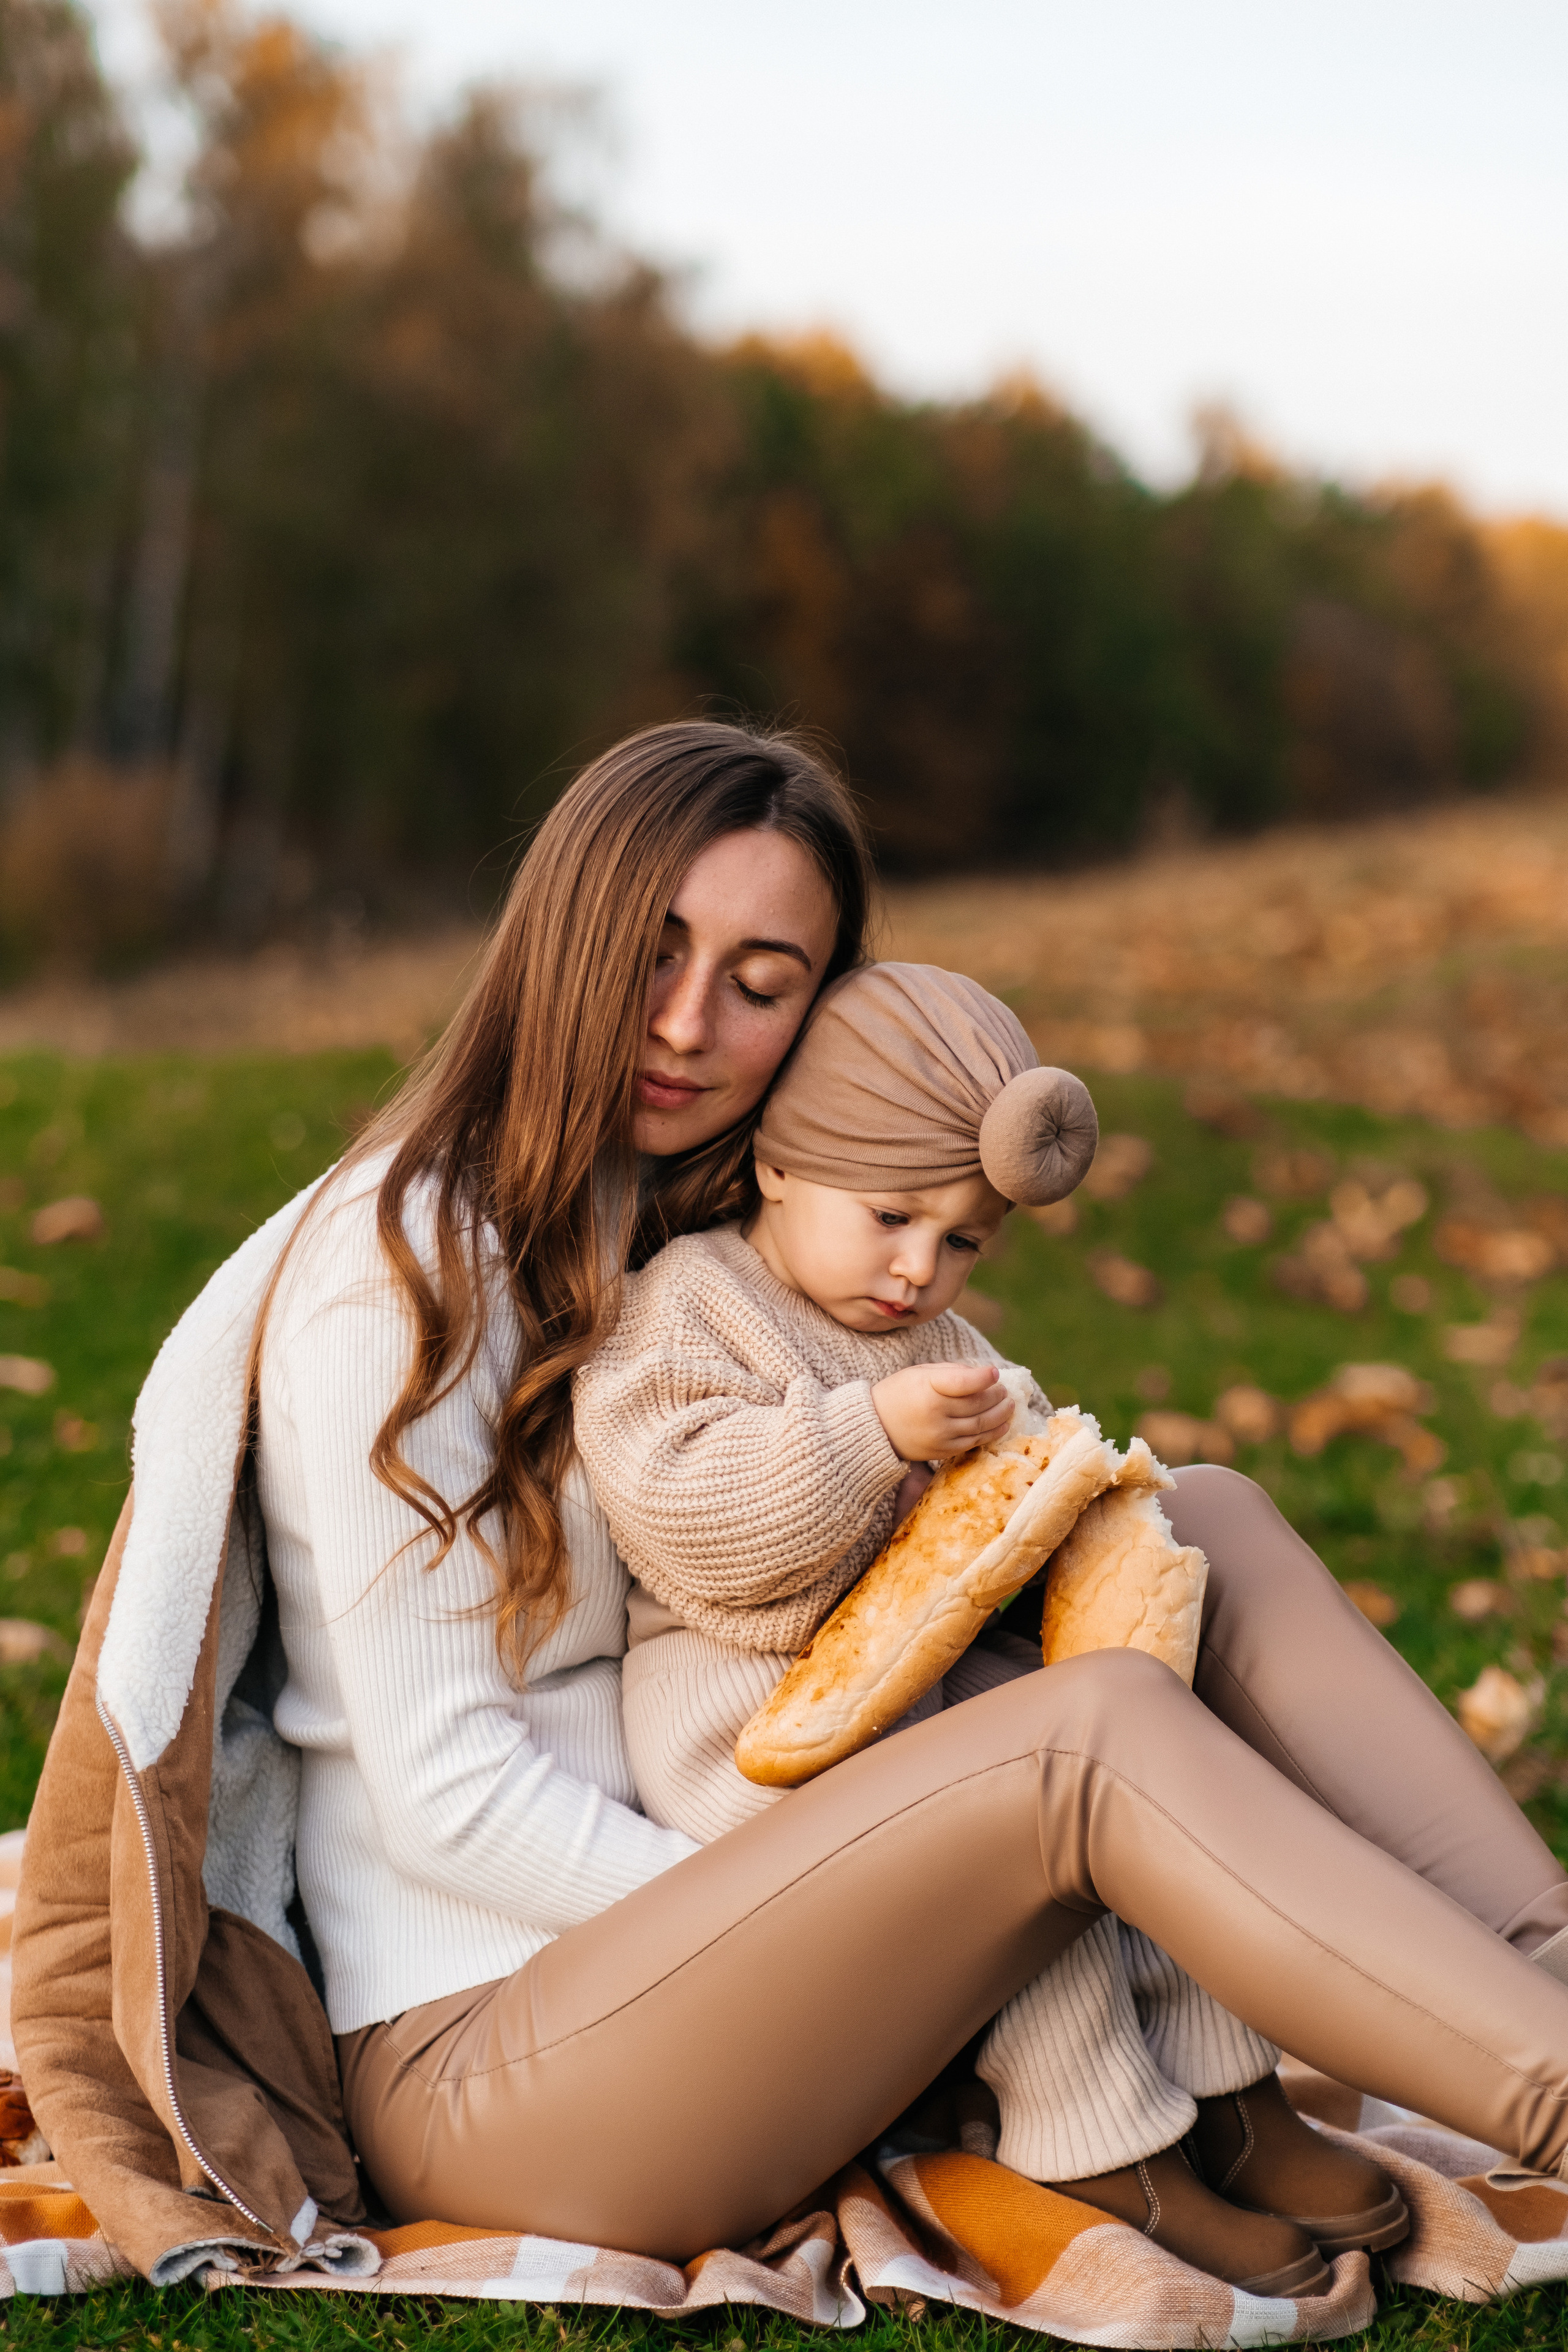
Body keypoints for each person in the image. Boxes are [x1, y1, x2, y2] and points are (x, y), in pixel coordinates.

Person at [24, 719, 1568, 2290]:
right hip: (494, 2055)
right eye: (650, 955)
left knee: (1198, 1521)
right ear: (558, 937)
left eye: (760, 985)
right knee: (1076, 1745)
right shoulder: (407, 1273)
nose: (686, 1024)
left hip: (715, 1939)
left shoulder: (684, 1222)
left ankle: (1542, 1976)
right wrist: (862, 1892)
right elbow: (451, 1800)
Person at [572, 957, 1403, 2294]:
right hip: (748, 1725)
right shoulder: (688, 1304)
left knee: (1150, 1787)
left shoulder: (929, 1336)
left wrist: (1063, 1497)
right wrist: (864, 1437)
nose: (916, 1272)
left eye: (961, 1242)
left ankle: (1226, 2096)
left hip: (925, 1696)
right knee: (1016, 1851)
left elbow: (1012, 1490)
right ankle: (1091, 2138)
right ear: (781, 1164)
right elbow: (685, 1521)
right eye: (892, 1217)